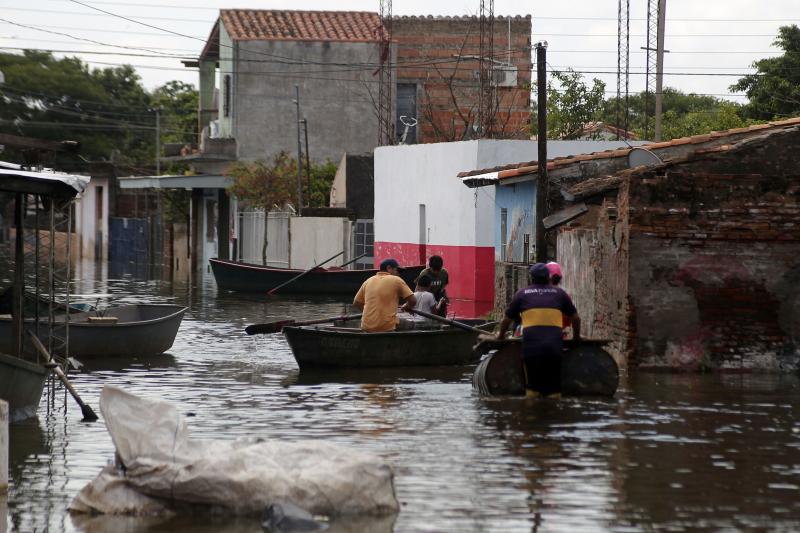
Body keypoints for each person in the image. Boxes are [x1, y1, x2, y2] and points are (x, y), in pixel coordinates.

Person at [496, 263, 581, 399]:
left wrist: (500, 336)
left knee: (532, 390)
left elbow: (506, 321)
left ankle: (532, 414)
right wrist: (577, 338)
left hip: (531, 351)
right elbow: (576, 319)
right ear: (548, 277)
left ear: (531, 278)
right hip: (554, 349)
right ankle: (554, 411)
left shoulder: (521, 294)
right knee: (554, 390)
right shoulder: (560, 294)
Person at [353, 258, 417, 332]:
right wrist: (407, 306)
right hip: (387, 326)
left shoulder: (368, 281)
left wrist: (370, 314)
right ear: (389, 268)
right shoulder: (396, 280)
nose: (399, 274)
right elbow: (413, 301)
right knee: (412, 325)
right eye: (398, 270)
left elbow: (356, 303)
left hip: (366, 326)